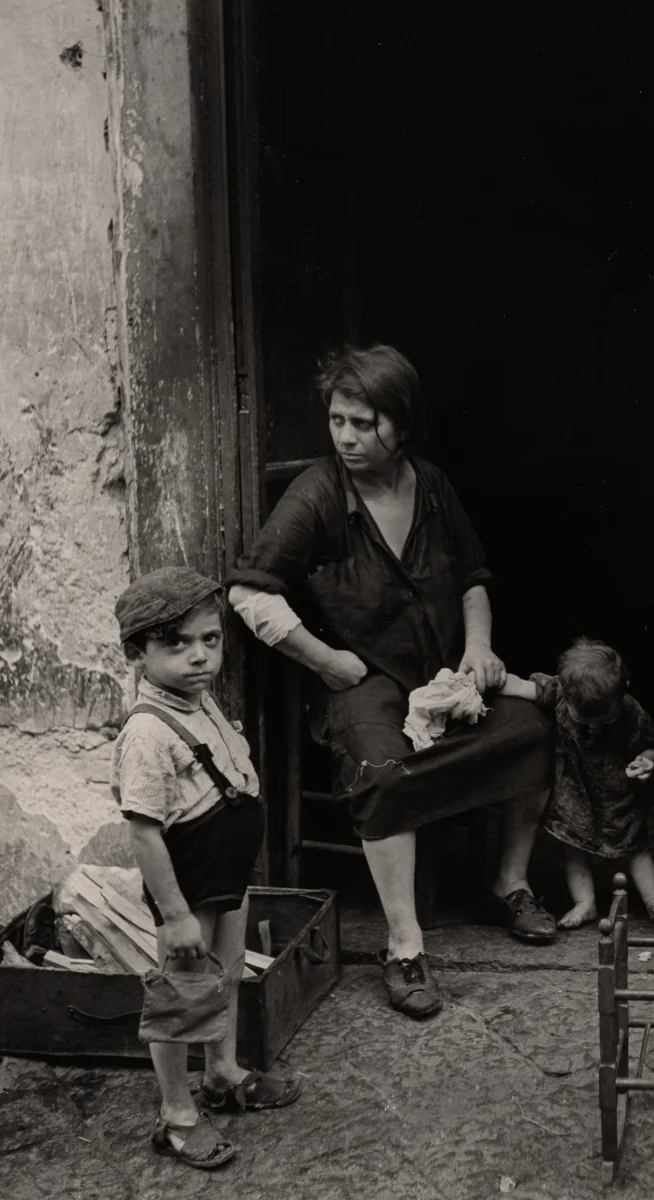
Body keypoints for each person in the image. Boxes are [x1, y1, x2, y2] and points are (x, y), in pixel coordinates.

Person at [227, 344, 557, 1021]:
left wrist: (480, 646)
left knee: (530, 727)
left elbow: (472, 576)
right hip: (364, 681)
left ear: (401, 426)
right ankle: (404, 945)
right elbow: (249, 594)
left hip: (442, 677)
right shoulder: (318, 493)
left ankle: (511, 882)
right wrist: (325, 660)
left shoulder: (431, 485)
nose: (347, 437)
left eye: (365, 423)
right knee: (382, 768)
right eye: (338, 420)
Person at [111, 567, 301, 1170]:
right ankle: (176, 1116)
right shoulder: (146, 733)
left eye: (210, 640)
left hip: (227, 875)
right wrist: (174, 915)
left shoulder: (199, 701)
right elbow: (143, 833)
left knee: (226, 976)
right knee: (181, 997)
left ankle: (222, 1074)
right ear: (138, 653)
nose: (200, 657)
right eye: (177, 645)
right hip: (187, 888)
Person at [501, 638, 654, 929]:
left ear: (624, 691)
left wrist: (646, 762)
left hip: (619, 794)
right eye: (584, 719)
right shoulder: (558, 692)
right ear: (565, 695)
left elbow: (647, 745)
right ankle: (586, 903)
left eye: (605, 720)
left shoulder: (633, 714)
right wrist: (484, 680)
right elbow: (519, 686)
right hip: (575, 792)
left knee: (634, 848)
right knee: (573, 849)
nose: (594, 727)